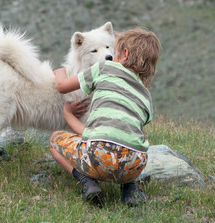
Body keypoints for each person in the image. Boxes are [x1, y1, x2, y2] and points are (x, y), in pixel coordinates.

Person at [49, 27, 161, 206]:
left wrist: (60, 74)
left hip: (98, 158)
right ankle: (129, 188)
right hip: (135, 166)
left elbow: (62, 86)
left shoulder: (104, 69)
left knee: (54, 140)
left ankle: (87, 181)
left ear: (124, 54)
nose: (110, 56)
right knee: (126, 142)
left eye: (113, 52)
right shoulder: (146, 96)